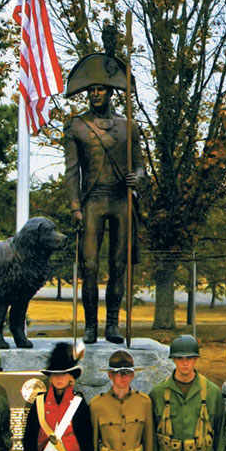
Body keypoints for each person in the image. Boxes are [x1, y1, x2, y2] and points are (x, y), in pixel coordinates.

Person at [63, 45, 145, 345]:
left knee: (118, 266)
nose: (96, 94)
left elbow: (141, 166)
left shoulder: (129, 126)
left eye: (101, 89)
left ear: (111, 92)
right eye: (91, 90)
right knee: (90, 266)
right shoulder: (77, 126)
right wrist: (75, 207)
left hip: (121, 200)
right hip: (93, 201)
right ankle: (89, 327)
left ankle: (112, 324)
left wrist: (138, 177)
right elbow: (72, 171)